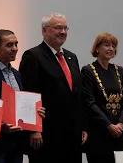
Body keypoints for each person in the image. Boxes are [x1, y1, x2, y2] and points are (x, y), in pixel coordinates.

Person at [19, 13, 88, 163]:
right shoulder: (33, 56)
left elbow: (77, 95)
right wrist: (34, 129)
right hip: (47, 134)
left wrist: (82, 126)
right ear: (45, 31)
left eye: (65, 28)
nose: (63, 32)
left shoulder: (72, 57)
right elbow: (28, 95)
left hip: (73, 135)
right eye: (58, 28)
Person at [0, 29, 45, 163]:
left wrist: (34, 114)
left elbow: (20, 104)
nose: (15, 49)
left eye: (16, 44)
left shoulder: (17, 74)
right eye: (9, 45)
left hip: (17, 141)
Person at [81, 33, 123, 163]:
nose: (111, 48)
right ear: (97, 48)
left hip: (119, 132)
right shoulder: (88, 71)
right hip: (99, 131)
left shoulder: (119, 70)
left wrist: (120, 124)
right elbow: (89, 103)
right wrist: (109, 126)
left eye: (113, 46)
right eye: (106, 45)